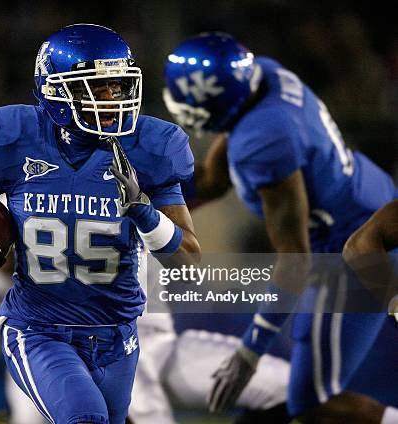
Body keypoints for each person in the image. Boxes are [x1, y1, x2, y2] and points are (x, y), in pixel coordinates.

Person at [0, 24, 200, 424]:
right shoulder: (13, 139)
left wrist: (143, 210)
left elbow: (189, 262)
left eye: (118, 87)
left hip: (117, 335)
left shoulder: (150, 148)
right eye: (97, 89)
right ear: (56, 91)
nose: (113, 100)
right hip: (39, 329)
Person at [162, 32, 398, 423]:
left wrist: (249, 352)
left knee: (313, 405)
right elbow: (212, 179)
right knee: (300, 397)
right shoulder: (263, 76)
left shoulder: (263, 142)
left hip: (350, 249)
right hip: (367, 199)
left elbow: (294, 262)